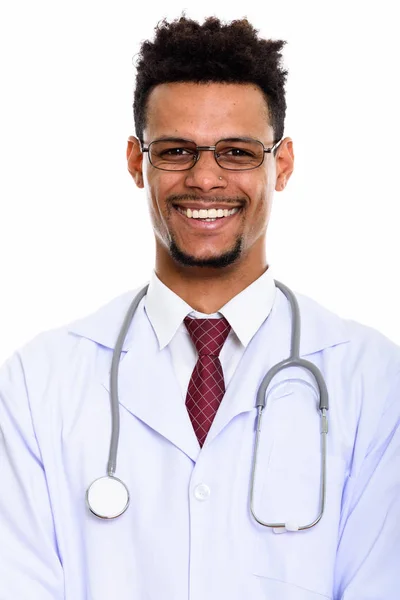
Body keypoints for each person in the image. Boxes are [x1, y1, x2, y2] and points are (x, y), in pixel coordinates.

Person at [0, 15, 399, 600]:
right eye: (176, 151)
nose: (205, 179)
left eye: (236, 152)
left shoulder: (372, 379)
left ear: (280, 165)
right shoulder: (39, 383)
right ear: (138, 163)